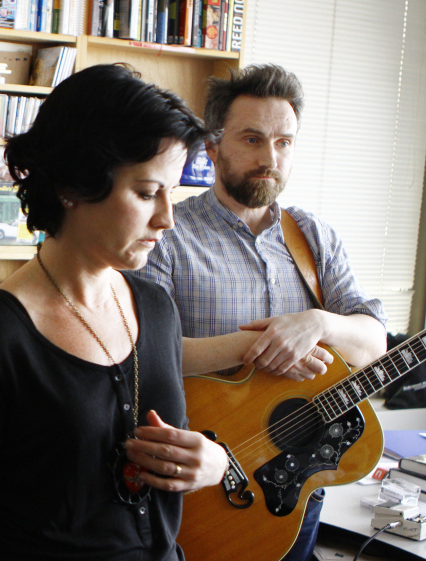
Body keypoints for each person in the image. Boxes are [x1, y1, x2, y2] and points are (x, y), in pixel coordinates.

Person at [0, 64, 230, 561]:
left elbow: (173, 447)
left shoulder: (157, 308)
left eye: (173, 193)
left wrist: (212, 463)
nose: (167, 218)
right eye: (147, 193)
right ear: (74, 185)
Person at [133, 64, 388, 561]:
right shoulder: (164, 234)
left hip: (295, 487)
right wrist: (259, 346)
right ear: (212, 146)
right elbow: (139, 354)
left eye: (283, 142)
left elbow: (373, 345)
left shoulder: (314, 237)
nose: (270, 158)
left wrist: (317, 324)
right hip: (200, 486)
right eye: (252, 139)